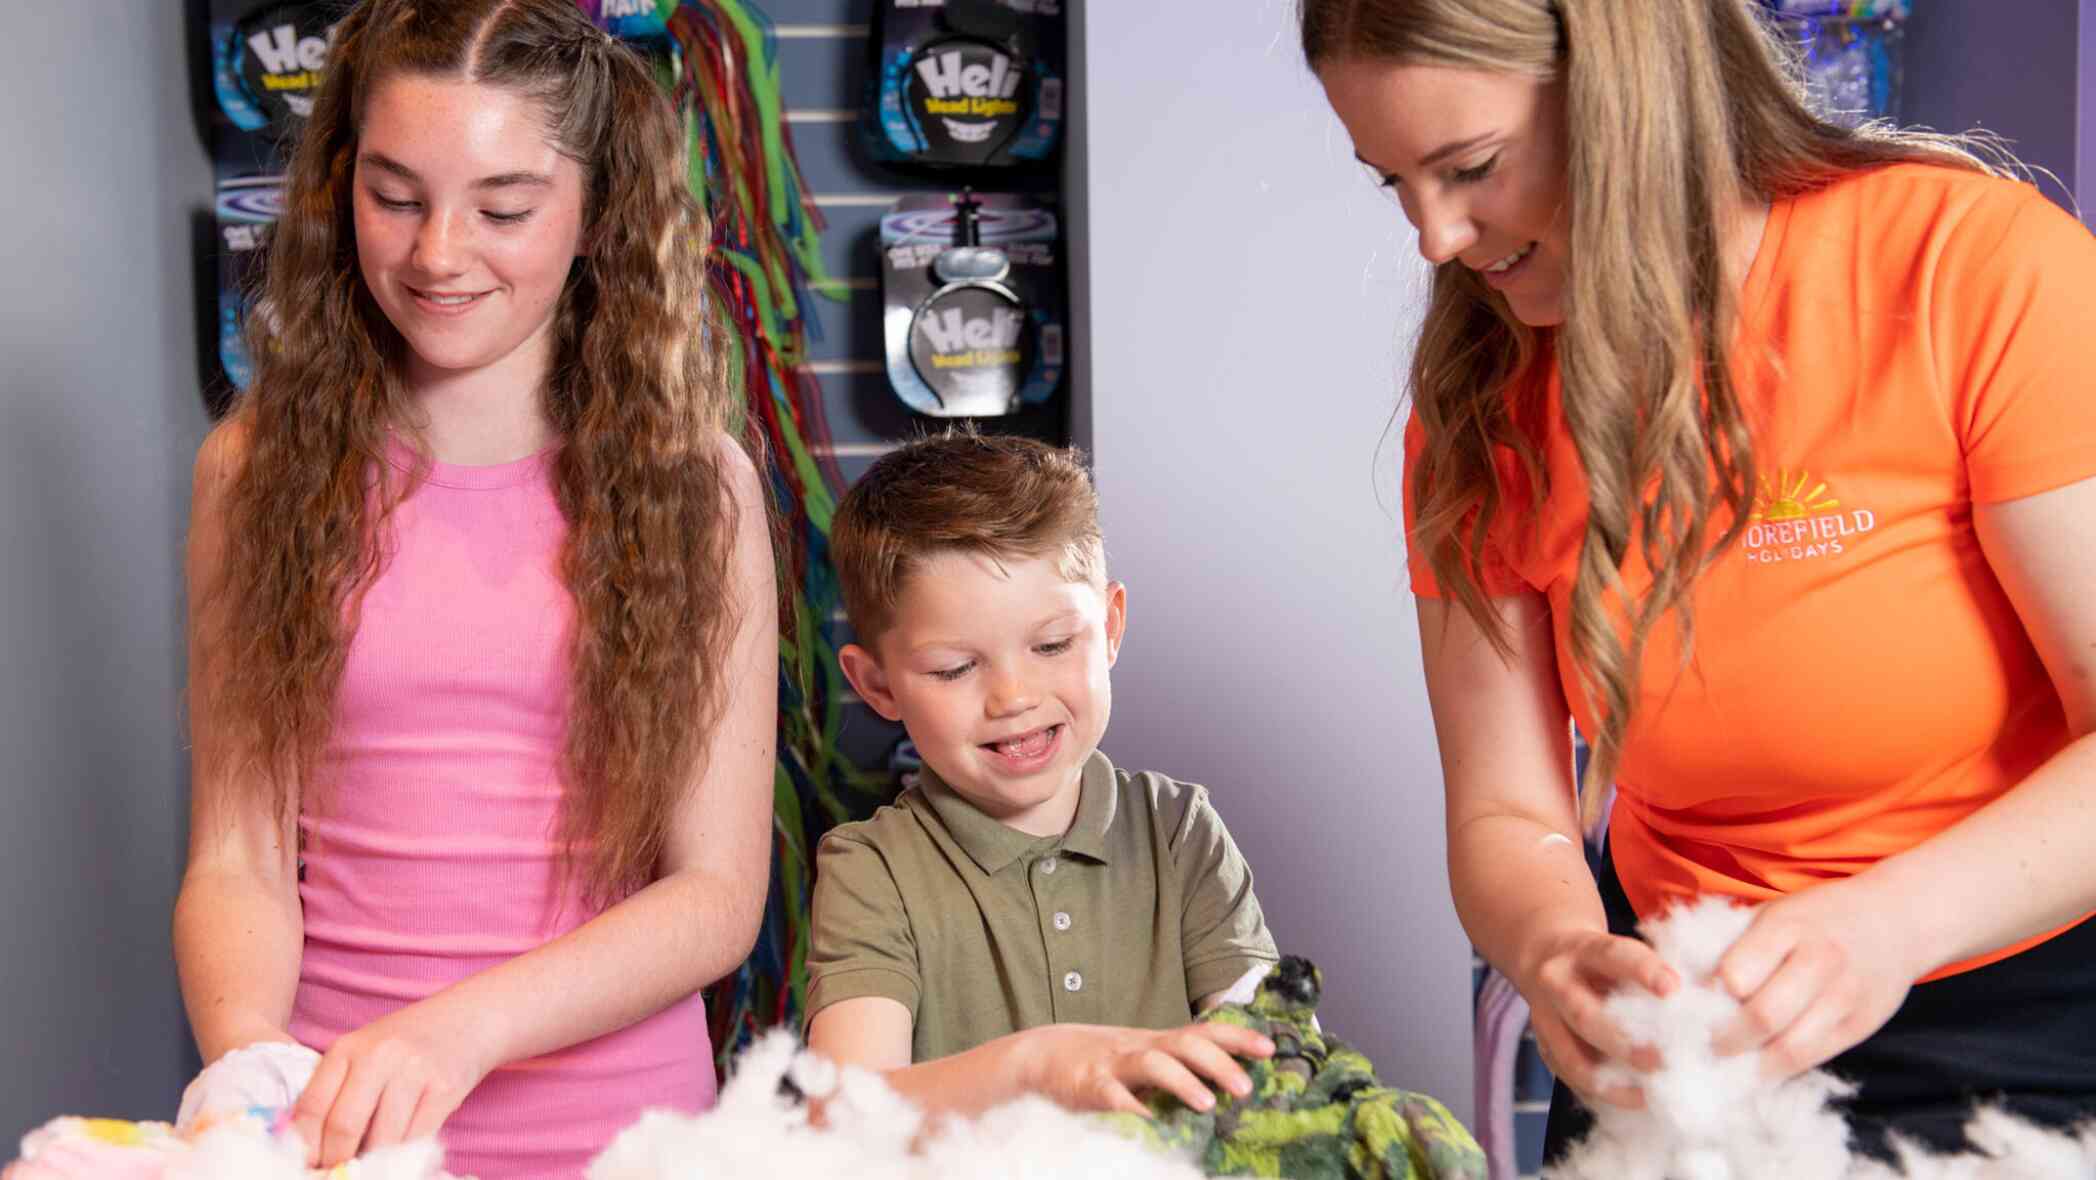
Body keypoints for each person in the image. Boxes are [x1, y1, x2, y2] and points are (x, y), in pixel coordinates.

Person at [1300, 0, 2096, 1162]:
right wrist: (1559, 951)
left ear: (1627, 93)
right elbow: (1506, 807)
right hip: (1687, 1032)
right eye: (1391, 183)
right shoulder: (1478, 395)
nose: (1433, 236)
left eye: (1468, 168)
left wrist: (1885, 925)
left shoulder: (1970, 269)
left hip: (2018, 1020)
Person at [172, 1, 777, 1174]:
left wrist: (459, 1033)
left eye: (502, 208)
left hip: (623, 1137)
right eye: (394, 197)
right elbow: (236, 855)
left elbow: (712, 895)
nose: (437, 252)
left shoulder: (695, 486)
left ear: (597, 213)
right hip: (337, 1129)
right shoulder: (253, 473)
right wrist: (253, 1072)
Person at [803, 431, 1281, 1117]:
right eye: (954, 669)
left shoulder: (1180, 835)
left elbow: (1272, 1069)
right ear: (876, 684)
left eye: (1053, 644)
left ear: (1110, 626)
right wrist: (1034, 1066)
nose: (1014, 698)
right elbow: (843, 1116)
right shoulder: (872, 869)